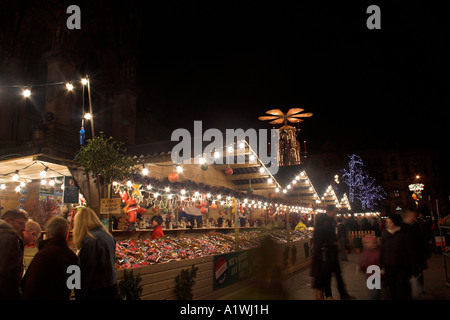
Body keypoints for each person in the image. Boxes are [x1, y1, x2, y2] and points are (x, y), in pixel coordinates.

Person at [21, 216, 78, 300]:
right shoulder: (72, 257)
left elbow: (30, 286)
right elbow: (75, 286)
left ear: (47, 233)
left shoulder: (43, 255)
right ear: (66, 233)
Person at [73, 207, 118, 300]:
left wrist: (79, 293)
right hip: (111, 286)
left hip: (96, 290)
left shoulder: (90, 240)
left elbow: (86, 270)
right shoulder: (107, 235)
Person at [310, 206, 354, 300]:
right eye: (335, 211)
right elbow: (322, 240)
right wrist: (333, 242)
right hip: (326, 255)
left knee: (334, 275)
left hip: (329, 254)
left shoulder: (328, 224)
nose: (335, 213)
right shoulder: (325, 225)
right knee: (328, 276)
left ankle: (338, 294)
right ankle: (331, 295)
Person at [380, 213, 416, 300]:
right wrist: (381, 266)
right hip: (389, 267)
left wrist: (413, 267)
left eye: (390, 222)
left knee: (402, 289)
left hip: (402, 267)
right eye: (387, 222)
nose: (388, 224)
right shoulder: (386, 235)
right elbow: (382, 251)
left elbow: (410, 252)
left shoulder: (404, 235)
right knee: (392, 288)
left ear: (395, 223)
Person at [0, 209, 28, 299]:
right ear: (8, 221)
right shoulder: (9, 238)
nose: (23, 229)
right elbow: (7, 273)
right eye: (20, 224)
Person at [402, 207, 428, 290]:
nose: (414, 218)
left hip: (417, 255)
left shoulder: (416, 225)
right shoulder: (401, 227)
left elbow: (422, 239)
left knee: (418, 274)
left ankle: (420, 289)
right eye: (412, 216)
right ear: (407, 216)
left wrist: (425, 252)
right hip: (407, 257)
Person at [358, 235, 381, 300]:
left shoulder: (379, 251)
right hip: (369, 275)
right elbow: (363, 262)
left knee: (377, 292)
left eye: (372, 243)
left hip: (378, 274)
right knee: (372, 292)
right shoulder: (365, 252)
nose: (368, 244)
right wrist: (361, 267)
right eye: (366, 243)